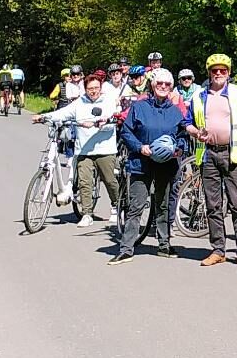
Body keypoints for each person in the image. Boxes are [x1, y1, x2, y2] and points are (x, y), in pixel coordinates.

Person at [186, 53, 237, 270]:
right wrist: (196, 133)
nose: (219, 74)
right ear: (209, 73)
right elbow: (187, 123)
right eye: (215, 70)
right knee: (213, 205)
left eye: (223, 71)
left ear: (228, 73)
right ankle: (218, 250)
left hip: (233, 154)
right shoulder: (199, 96)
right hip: (208, 154)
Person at [115, 68, 193, 263]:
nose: (163, 87)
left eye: (167, 84)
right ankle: (126, 248)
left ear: (171, 87)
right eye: (160, 83)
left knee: (164, 204)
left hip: (167, 163)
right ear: (152, 85)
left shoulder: (176, 111)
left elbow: (183, 135)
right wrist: (139, 147)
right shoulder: (139, 107)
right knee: (136, 205)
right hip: (141, 162)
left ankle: (164, 244)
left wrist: (179, 149)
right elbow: (126, 132)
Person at [35, 69, 121, 225]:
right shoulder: (80, 102)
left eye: (96, 88)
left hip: (105, 149)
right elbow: (63, 113)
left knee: (110, 180)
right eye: (90, 89)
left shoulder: (108, 101)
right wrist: (43, 117)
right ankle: (87, 214)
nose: (93, 91)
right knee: (84, 182)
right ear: (85, 89)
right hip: (84, 150)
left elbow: (111, 119)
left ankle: (118, 205)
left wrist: (99, 122)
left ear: (100, 87)